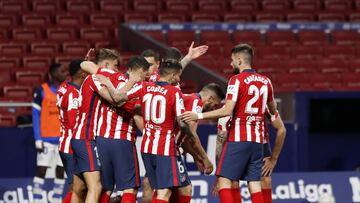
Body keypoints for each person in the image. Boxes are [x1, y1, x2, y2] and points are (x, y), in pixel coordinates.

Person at [181, 44, 278, 203]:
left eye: (232, 60)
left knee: (224, 180)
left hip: (239, 138)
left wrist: (198, 114)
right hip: (258, 141)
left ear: (239, 60)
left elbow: (227, 110)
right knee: (254, 183)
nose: (230, 63)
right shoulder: (266, 81)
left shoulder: (236, 80)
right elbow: (273, 110)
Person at [97, 60, 193, 203]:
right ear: (173, 75)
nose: (178, 79)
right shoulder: (175, 91)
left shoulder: (144, 87)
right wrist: (189, 130)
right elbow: (181, 121)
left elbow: (117, 97)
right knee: (164, 192)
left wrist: (108, 84)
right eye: (178, 76)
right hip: (165, 148)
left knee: (159, 190)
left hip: (147, 147)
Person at [70, 48, 138, 203]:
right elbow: (115, 99)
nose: (116, 70)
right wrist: (131, 81)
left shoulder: (88, 79)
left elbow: (85, 64)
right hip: (86, 137)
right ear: (106, 64)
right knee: (96, 187)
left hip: (78, 136)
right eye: (115, 66)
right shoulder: (95, 79)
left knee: (79, 189)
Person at [81, 56, 149, 203]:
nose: (146, 77)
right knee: (130, 188)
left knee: (106, 187)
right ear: (140, 71)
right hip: (122, 140)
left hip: (101, 140)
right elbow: (136, 117)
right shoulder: (140, 88)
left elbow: (84, 64)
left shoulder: (111, 75)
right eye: (146, 73)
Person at [215, 107, 286, 203]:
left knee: (264, 180)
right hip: (239, 144)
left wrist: (274, 158)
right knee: (235, 182)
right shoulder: (227, 109)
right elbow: (221, 140)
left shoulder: (264, 102)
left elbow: (282, 129)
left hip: (259, 143)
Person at [32, 63, 67, 203]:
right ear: (52, 74)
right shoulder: (41, 90)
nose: (64, 73)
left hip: (61, 139)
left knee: (60, 170)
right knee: (41, 170)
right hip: (45, 139)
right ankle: (36, 198)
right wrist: (37, 138)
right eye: (60, 71)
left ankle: (57, 198)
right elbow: (35, 115)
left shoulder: (65, 90)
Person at [56, 59, 88, 203]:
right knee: (77, 189)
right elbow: (74, 123)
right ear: (82, 74)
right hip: (72, 146)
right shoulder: (74, 95)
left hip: (65, 143)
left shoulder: (64, 86)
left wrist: (84, 62)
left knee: (80, 188)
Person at [141, 42, 208, 82]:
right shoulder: (136, 80)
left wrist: (189, 57)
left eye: (150, 64)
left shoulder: (163, 76)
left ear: (160, 62)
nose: (146, 68)